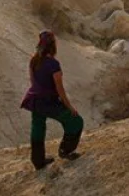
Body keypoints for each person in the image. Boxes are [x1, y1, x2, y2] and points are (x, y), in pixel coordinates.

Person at [19, 30, 84, 170]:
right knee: (76, 121)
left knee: (38, 127)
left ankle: (38, 161)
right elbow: (60, 90)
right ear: (53, 46)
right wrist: (70, 107)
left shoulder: (34, 60)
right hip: (49, 102)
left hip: (35, 99)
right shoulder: (53, 64)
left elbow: (32, 82)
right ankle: (65, 151)